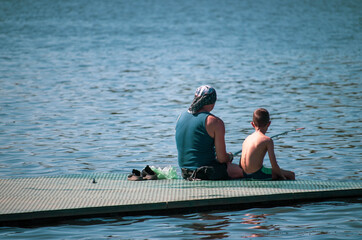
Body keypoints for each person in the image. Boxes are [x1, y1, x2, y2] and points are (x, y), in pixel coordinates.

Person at [175, 85, 244, 180]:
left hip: (185, 173)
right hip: (206, 173)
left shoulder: (181, 116)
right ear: (213, 102)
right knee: (244, 171)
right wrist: (229, 156)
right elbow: (221, 159)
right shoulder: (215, 122)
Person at [239, 108, 295, 180]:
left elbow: (240, 165)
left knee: (269, 170)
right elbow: (274, 165)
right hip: (258, 174)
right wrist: (282, 177)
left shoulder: (247, 139)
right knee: (291, 174)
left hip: (245, 174)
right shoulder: (267, 140)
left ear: (252, 124)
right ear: (269, 124)